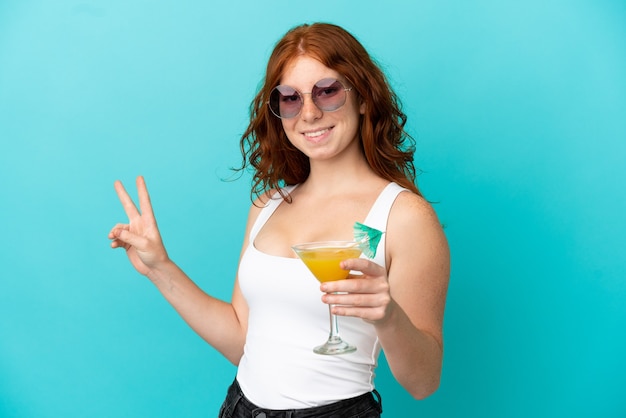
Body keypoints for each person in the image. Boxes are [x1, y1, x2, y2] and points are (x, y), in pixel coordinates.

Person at [108, 22, 449, 418]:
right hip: (239, 408)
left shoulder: (405, 216)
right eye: (290, 98)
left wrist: (388, 315)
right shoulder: (267, 205)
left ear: (363, 98)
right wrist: (159, 268)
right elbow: (241, 340)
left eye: (328, 91)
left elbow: (424, 382)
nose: (309, 113)